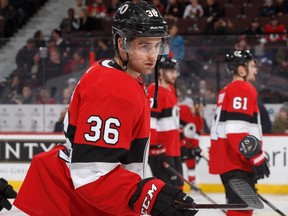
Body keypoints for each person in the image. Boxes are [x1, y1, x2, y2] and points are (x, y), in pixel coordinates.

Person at [14, 2, 198, 216]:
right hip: (67, 201)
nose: (152, 56)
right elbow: (92, 173)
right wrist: (149, 195)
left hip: (75, 197)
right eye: (144, 46)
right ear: (122, 44)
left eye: (157, 46)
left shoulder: (116, 74)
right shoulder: (113, 88)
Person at [209, 50, 270, 216]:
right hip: (237, 162)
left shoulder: (226, 90)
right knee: (240, 211)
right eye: (252, 66)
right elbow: (235, 131)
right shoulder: (242, 88)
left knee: (240, 208)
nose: (256, 70)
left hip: (229, 162)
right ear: (242, 70)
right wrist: (255, 156)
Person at [147, 55, 184, 188]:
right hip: (161, 152)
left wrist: (181, 141)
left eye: (175, 71)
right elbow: (150, 122)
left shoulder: (172, 90)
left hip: (174, 150)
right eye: (171, 71)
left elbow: (172, 121)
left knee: (179, 188)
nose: (175, 74)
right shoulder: (154, 90)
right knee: (167, 192)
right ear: (161, 72)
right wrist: (155, 146)